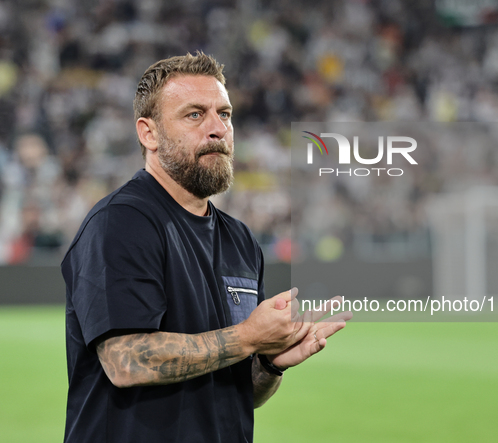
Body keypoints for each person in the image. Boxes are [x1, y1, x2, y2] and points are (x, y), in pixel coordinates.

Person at [61, 52, 351, 443]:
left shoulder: (241, 240)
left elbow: (240, 392)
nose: (217, 128)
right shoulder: (122, 222)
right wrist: (249, 337)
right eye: (194, 114)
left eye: (225, 114)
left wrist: (268, 363)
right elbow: (125, 361)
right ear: (149, 133)